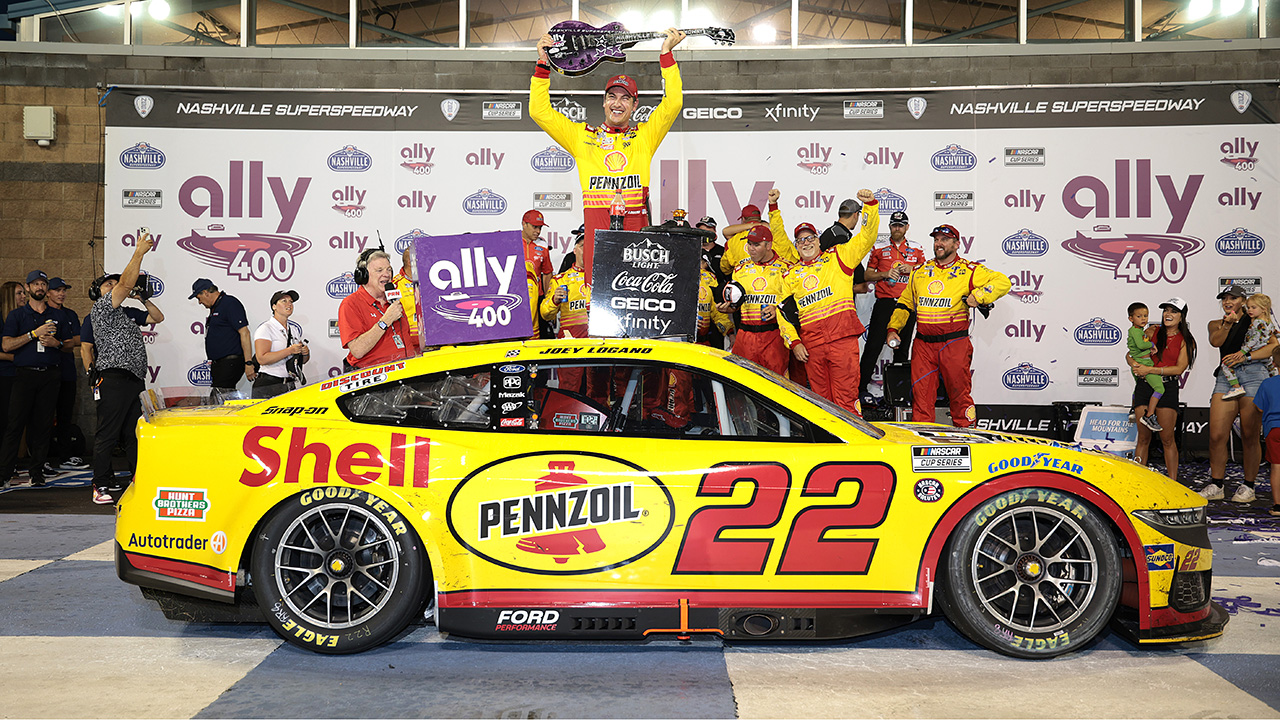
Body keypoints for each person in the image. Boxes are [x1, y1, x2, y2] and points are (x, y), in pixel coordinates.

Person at [532, 28, 685, 279]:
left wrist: (666, 54)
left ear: (635, 105)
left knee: (636, 300)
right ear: (603, 101)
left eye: (626, 98)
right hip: (598, 232)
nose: (617, 103)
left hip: (637, 233)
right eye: (612, 96)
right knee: (599, 304)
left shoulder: (645, 136)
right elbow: (540, 112)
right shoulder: (583, 137)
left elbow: (673, 104)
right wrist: (542, 63)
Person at [887, 224, 1010, 427]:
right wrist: (893, 329)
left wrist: (979, 295)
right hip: (923, 345)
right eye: (936, 239)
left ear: (957, 243)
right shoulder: (920, 271)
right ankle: (921, 442)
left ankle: (968, 437)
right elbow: (905, 303)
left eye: (944, 239)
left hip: (954, 343)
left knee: (959, 394)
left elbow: (1003, 282)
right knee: (921, 396)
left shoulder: (969, 270)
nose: (939, 243)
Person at [777, 191, 880, 415]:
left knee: (846, 400)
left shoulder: (838, 257)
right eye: (801, 240)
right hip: (811, 347)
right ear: (796, 245)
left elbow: (866, 237)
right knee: (822, 406)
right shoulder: (790, 276)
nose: (806, 243)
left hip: (842, 340)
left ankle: (854, 448)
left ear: (818, 239)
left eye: (810, 237)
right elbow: (782, 314)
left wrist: (870, 206)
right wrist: (794, 343)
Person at [89, 236, 161, 504]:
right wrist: (139, 252)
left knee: (133, 434)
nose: (116, 286)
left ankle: (137, 479)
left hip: (133, 379)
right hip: (114, 377)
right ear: (99, 291)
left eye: (115, 283)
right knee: (107, 433)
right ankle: (99, 484)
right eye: (110, 283)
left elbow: (157, 317)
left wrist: (143, 299)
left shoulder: (125, 313)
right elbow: (126, 283)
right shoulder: (102, 308)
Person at [1201, 285, 1278, 503]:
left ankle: (1249, 486)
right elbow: (1216, 342)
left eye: (1233, 298)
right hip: (1227, 377)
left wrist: (1246, 357)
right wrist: (1228, 324)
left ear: (1243, 301)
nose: (1227, 301)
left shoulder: (1257, 321)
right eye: (1224, 298)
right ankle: (1216, 484)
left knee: (1249, 433)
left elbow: (1273, 347)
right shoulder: (1216, 324)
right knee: (1216, 434)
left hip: (1254, 374)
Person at [0, 270, 74, 489]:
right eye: (35, 284)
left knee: (43, 426)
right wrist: (34, 334)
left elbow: (70, 345)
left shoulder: (58, 315)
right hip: (24, 375)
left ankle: (37, 472)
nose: (40, 287)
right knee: (15, 425)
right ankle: (4, 473)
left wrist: (57, 344)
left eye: (43, 284)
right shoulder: (17, 315)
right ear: (29, 287)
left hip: (50, 374)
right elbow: (6, 345)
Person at [859, 211, 925, 401]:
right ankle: (860, 389)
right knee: (873, 347)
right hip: (885, 303)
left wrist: (912, 269)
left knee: (902, 349)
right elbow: (867, 275)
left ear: (907, 227)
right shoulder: (878, 247)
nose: (897, 228)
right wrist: (885, 274)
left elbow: (927, 272)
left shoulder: (916, 248)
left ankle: (900, 394)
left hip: (907, 305)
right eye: (894, 225)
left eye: (901, 225)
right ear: (890, 227)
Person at [1128, 298, 1196, 484]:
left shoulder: (1187, 341)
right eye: (1166, 310)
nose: (1168, 314)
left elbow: (1179, 369)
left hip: (1167, 387)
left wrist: (1150, 370)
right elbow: (1130, 353)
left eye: (1173, 311)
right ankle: (1138, 482)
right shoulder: (1152, 331)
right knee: (1143, 438)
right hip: (1144, 386)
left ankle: (1173, 483)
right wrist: (1135, 365)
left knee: (1167, 439)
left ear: (1182, 316)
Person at [717, 225, 795, 376]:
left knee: (776, 386)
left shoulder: (786, 269)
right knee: (742, 386)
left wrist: (777, 308)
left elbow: (795, 304)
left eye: (756, 245)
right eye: (749, 244)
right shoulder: (740, 270)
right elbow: (737, 306)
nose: (750, 249)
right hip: (745, 335)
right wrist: (728, 309)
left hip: (774, 335)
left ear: (769, 245)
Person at [339, 249, 413, 371]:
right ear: (364, 275)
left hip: (404, 374)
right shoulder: (350, 304)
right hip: (374, 379)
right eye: (379, 270)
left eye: (389, 269)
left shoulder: (393, 301)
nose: (387, 274)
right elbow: (357, 350)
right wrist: (385, 321)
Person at [541, 233, 595, 395]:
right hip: (572, 341)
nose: (587, 249)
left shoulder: (602, 277)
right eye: (583, 245)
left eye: (591, 246)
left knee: (598, 389)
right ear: (575, 250)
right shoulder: (561, 279)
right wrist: (554, 301)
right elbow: (545, 314)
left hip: (598, 341)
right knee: (569, 389)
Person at [44, 277, 87, 473]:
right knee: (43, 416)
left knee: (65, 415)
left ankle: (65, 456)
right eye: (57, 290)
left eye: (64, 290)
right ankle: (41, 458)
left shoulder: (70, 313)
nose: (61, 294)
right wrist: (66, 341)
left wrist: (61, 341)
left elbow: (79, 339)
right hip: (46, 371)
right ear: (48, 293)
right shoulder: (42, 312)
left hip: (67, 371)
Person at [190, 278, 254, 394]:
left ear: (205, 292)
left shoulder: (230, 303)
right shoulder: (217, 306)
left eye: (199, 298)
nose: (199, 302)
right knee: (222, 399)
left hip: (230, 363)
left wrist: (248, 363)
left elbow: (244, 332)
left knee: (218, 399)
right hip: (220, 364)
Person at [719, 190, 794, 277]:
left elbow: (724, 268)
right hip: (773, 279)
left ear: (743, 219)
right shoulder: (771, 234)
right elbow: (778, 229)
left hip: (744, 281)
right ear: (759, 219)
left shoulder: (732, 241)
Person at [252, 290, 309, 400]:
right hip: (268, 384)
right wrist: (290, 351)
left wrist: (305, 353)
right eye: (284, 301)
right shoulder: (266, 328)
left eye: (291, 302)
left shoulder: (294, 330)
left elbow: (301, 361)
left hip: (289, 385)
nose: (289, 304)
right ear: (274, 307)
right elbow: (262, 359)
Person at [1221, 293, 1278, 398]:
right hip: (1263, 357)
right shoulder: (1269, 322)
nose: (1249, 310)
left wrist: (1242, 352)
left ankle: (1236, 387)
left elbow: (1254, 339)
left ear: (1264, 309)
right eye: (1248, 307)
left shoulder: (1257, 323)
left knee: (1225, 365)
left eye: (1253, 307)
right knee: (1272, 369)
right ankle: (1276, 388)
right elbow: (1275, 333)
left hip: (1253, 355)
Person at [0, 281, 27, 486]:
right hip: (5, 375)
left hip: (19, 375)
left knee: (15, 422)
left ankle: (10, 463)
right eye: (19, 293)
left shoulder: (21, 317)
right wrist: (16, 359)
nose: (23, 297)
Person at [1126, 302, 1165, 431]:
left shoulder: (1139, 331)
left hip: (1140, 363)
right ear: (1131, 319)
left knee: (1138, 387)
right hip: (1144, 364)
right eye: (1139, 316)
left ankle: (1133, 408)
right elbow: (1142, 345)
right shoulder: (1135, 331)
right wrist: (1152, 344)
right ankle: (1149, 415)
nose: (1143, 319)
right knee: (1160, 388)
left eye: (1145, 316)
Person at [1250, 352, 1280, 516]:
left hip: (1274, 429)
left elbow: (1259, 407)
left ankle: (1278, 506)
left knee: (1277, 467)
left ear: (1274, 364)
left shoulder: (1267, 383)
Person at [521, 209, 555, 337]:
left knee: (540, 337)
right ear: (524, 224)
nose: (538, 231)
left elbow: (547, 273)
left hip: (538, 298)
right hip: (519, 298)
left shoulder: (543, 245)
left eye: (540, 227)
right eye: (535, 227)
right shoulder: (511, 241)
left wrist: (548, 299)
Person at [392, 246, 421, 352]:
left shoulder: (431, 280)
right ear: (410, 262)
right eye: (421, 259)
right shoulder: (395, 285)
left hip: (431, 341)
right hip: (408, 343)